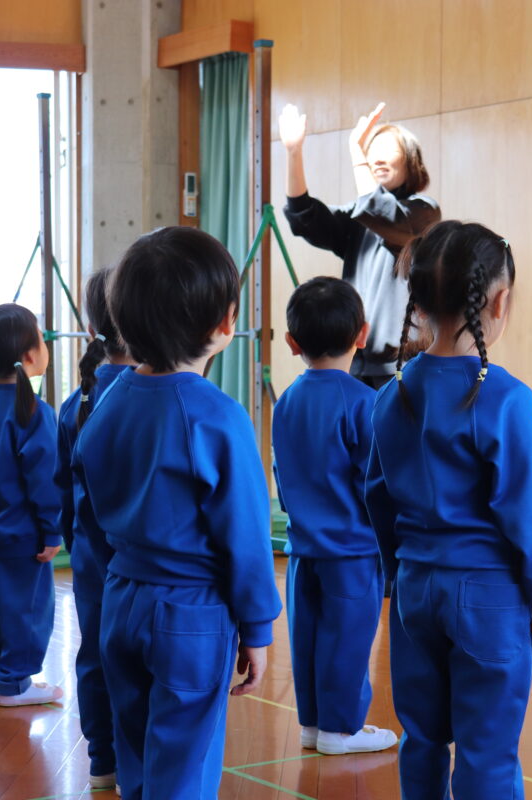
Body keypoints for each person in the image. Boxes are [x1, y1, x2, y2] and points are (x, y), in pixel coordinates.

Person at [72, 227, 282, 800]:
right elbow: (245, 536)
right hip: (191, 614)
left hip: (121, 601)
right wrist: (257, 627)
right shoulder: (218, 416)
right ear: (226, 322)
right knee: (184, 771)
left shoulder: (107, 401)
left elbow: (89, 508)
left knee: (138, 761)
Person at [366, 222, 532, 799]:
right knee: (487, 749)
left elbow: (377, 496)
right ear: (499, 302)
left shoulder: (392, 393)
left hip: (416, 591)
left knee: (422, 737)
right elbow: (530, 508)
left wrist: (397, 572)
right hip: (488, 598)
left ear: (418, 302)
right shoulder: (505, 397)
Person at [271, 277, 395, 755]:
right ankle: (340, 730)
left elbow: (282, 473)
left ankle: (313, 723)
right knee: (347, 639)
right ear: (362, 334)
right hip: (352, 552)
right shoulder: (365, 401)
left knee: (305, 638)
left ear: (291, 342)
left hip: (302, 549)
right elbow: (375, 484)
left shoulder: (286, 401)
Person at [280, 101, 441, 387]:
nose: (375, 160)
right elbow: (305, 217)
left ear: (410, 160)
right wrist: (293, 152)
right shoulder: (359, 217)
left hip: (403, 366)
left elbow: (382, 212)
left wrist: (356, 150)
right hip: (353, 360)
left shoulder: (423, 212)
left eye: (388, 150)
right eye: (371, 152)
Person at [52, 267, 134, 791]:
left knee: (96, 656)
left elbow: (64, 491)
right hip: (137, 563)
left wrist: (76, 543)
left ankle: (103, 760)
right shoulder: (150, 397)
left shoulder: (76, 403)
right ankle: (130, 761)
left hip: (90, 557)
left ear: (90, 328)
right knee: (137, 663)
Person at [0, 303, 64, 707]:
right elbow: (45, 480)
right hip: (26, 536)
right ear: (30, 354)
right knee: (28, 610)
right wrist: (52, 530)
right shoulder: (34, 412)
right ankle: (14, 682)